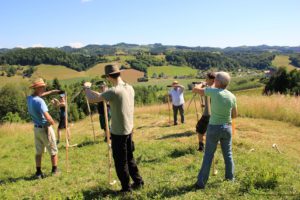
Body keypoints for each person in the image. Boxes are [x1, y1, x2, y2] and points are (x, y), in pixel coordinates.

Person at [84, 64, 144, 193]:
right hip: (129, 129)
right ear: (119, 73)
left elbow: (91, 99)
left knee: (120, 162)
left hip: (118, 132)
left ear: (108, 77)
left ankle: (126, 189)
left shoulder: (114, 91)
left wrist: (87, 88)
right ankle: (138, 182)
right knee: (129, 157)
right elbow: (102, 95)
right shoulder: (129, 88)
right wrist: (97, 93)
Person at [192, 72, 238, 189]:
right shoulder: (232, 96)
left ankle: (201, 183)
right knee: (228, 154)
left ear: (217, 82)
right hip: (227, 127)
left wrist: (201, 84)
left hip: (214, 127)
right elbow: (234, 115)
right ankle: (230, 178)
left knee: (208, 155)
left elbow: (195, 90)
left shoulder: (214, 92)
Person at [27, 78, 59, 179]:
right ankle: (55, 170)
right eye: (43, 87)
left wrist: (52, 92)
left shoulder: (29, 98)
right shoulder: (40, 101)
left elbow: (40, 95)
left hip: (36, 129)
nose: (45, 88)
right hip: (45, 128)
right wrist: (56, 108)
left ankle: (38, 172)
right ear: (38, 88)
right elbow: (48, 117)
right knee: (53, 150)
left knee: (38, 151)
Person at [196, 72, 216, 151]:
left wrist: (201, 84)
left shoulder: (210, 89)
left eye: (207, 79)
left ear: (212, 80)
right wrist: (205, 105)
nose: (205, 80)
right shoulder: (217, 88)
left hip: (208, 114)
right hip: (215, 113)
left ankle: (201, 146)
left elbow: (195, 90)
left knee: (200, 129)